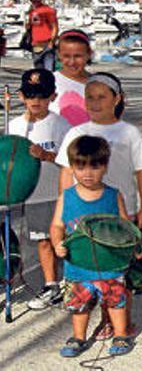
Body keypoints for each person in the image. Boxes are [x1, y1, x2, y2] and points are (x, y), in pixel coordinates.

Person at [56, 72, 142, 339]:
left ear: (117, 99)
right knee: (90, 268)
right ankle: (103, 320)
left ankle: (118, 321)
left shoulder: (130, 133)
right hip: (84, 217)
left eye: (102, 97)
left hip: (120, 212)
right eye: (90, 97)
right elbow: (66, 175)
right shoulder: (76, 133)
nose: (95, 102)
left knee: (118, 270)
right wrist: (65, 212)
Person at [51, 135, 134, 357]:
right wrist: (57, 242)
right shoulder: (66, 197)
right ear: (72, 167)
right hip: (78, 265)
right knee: (80, 304)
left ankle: (120, 334)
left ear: (105, 166)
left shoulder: (113, 196)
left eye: (95, 166)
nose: (88, 173)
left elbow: (126, 226)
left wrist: (133, 246)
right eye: (81, 166)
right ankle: (78, 337)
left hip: (109, 263)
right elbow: (57, 225)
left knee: (116, 301)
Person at [9, 69, 71, 310]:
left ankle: (74, 283)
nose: (36, 100)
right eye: (31, 94)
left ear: (53, 96)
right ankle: (51, 284)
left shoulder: (59, 124)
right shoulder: (14, 125)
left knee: (64, 240)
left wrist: (46, 155)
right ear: (22, 96)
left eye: (42, 95)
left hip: (58, 193)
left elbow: (71, 160)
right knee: (43, 241)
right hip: (33, 194)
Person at [50, 29, 92, 127]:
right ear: (58, 54)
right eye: (66, 56)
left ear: (89, 54)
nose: (72, 62)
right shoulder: (49, 82)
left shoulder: (100, 84)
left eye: (78, 56)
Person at [25, 0, 59, 69]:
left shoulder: (48, 10)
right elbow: (31, 27)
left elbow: (55, 27)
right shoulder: (32, 11)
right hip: (36, 45)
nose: (34, 0)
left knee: (48, 71)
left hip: (47, 43)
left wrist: (52, 42)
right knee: (38, 71)